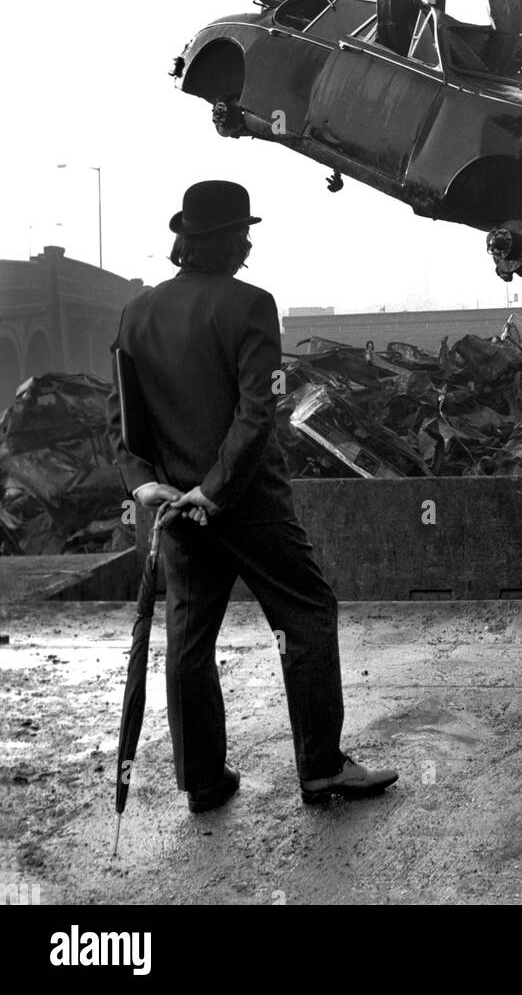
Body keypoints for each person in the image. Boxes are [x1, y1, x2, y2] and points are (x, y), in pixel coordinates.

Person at [107, 179, 397, 814]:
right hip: (248, 505)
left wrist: (147, 485)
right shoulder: (251, 305)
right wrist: (217, 491)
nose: (247, 244)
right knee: (307, 613)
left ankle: (203, 783)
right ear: (221, 241)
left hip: (174, 507)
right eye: (242, 233)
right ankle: (321, 769)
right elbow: (256, 411)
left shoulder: (136, 314)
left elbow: (123, 418)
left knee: (190, 635)